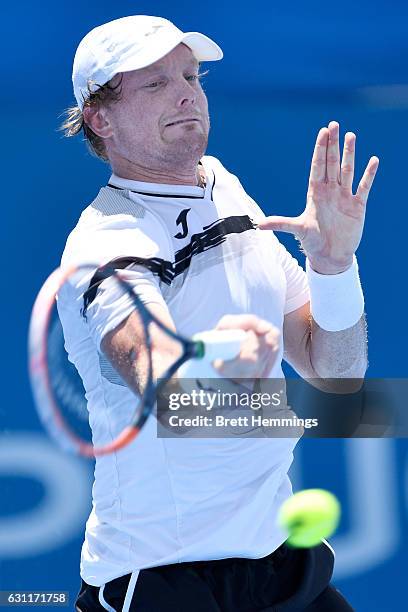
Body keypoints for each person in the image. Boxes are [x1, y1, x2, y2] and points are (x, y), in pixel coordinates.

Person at [59, 15, 378, 612]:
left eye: (190, 76)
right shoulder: (105, 245)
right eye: (153, 84)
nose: (186, 93)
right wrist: (219, 356)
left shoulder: (223, 188)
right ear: (101, 119)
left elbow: (335, 373)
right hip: (164, 581)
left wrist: (334, 267)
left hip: (280, 564)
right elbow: (162, 383)